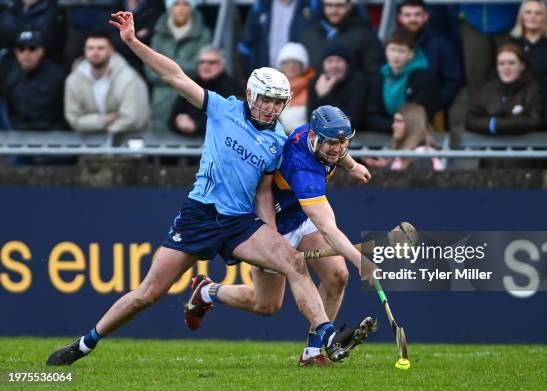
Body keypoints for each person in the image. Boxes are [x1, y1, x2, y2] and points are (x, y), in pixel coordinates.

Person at [46, 11, 374, 366]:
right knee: (147, 294)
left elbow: (273, 185)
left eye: (278, 103)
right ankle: (84, 343)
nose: (270, 108)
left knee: (293, 263)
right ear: (250, 94)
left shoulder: (278, 143)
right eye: (264, 99)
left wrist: (273, 230)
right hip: (199, 216)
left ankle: (324, 337)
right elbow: (172, 74)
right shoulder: (222, 109)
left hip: (239, 223)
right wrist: (132, 42)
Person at [184, 106, 376, 367]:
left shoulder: (316, 138)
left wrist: (352, 164)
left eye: (343, 142)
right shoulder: (303, 170)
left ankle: (313, 352)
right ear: (313, 137)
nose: (337, 148)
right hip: (271, 228)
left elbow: (336, 150)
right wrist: (361, 261)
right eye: (330, 142)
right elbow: (329, 229)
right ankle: (207, 291)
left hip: (300, 218)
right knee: (266, 305)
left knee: (337, 276)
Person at [145, 0, 212, 133]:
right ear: (169, 7)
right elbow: (150, 71)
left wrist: (164, 67)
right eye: (176, 4)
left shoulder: (204, 34)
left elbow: (198, 69)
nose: (181, 8)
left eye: (185, 4)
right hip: (160, 103)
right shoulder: (158, 34)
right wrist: (180, 69)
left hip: (190, 102)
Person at [64, 30, 150, 134]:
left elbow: (132, 118)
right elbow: (74, 119)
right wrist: (104, 120)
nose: (95, 52)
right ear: (84, 51)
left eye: (100, 48)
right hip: (89, 145)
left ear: (111, 50)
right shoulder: (73, 80)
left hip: (126, 142)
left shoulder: (128, 77)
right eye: (90, 48)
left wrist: (104, 133)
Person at [366, 29, 440, 133]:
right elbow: (371, 114)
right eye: (392, 50)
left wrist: (399, 127)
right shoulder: (379, 76)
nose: (396, 55)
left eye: (401, 51)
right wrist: (392, 127)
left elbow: (420, 113)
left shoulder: (422, 77)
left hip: (414, 134)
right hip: (384, 134)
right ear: (386, 52)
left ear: (411, 54)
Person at [395, 0, 462, 111]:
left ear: (426, 16)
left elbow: (453, 80)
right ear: (399, 18)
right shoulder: (392, 44)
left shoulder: (440, 44)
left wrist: (437, 103)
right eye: (407, 15)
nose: (412, 19)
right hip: (395, 109)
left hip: (431, 110)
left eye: (417, 14)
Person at [466, 43, 543, 135]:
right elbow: (470, 119)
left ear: (522, 66)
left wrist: (497, 125)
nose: (506, 67)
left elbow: (535, 121)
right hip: (490, 147)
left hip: (523, 147)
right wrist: (492, 124)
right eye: (501, 64)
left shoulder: (533, 89)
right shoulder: (488, 89)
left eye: (511, 63)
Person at [168, 46, 242, 136]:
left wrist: (196, 126)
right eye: (201, 62)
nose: (205, 65)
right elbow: (172, 120)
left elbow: (232, 123)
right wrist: (179, 122)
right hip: (187, 144)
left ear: (222, 65)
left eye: (211, 62)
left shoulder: (233, 88)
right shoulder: (190, 84)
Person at [299, 0, 385, 79]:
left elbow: (375, 75)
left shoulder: (366, 36)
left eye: (339, 6)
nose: (334, 11)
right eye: (329, 5)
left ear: (349, 6)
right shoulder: (309, 35)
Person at [1, 30, 65, 131]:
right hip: (15, 135)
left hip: (52, 136)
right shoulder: (9, 74)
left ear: (41, 51)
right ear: (16, 53)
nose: (26, 54)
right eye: (21, 49)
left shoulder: (57, 75)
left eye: (32, 48)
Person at [237, 0, 319, 76]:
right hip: (264, 76)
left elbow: (316, 43)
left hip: (298, 78)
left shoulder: (310, 5)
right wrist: (250, 73)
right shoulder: (261, 5)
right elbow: (247, 43)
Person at [363, 103, 444, 171]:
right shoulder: (406, 154)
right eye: (394, 121)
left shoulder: (422, 156)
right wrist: (386, 166)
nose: (393, 125)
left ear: (411, 125)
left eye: (399, 121)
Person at [308, 42, 368, 131]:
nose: (334, 65)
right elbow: (311, 118)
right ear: (323, 64)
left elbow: (354, 121)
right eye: (329, 61)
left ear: (347, 63)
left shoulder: (359, 82)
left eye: (339, 60)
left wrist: (326, 96)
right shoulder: (316, 82)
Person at [509, 0, 547, 84]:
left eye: (538, 13)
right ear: (521, 16)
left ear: (545, 18)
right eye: (528, 12)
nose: (532, 17)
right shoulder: (510, 44)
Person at [276, 42, 315, 132]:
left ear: (303, 66)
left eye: (295, 62)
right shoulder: (272, 87)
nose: (291, 65)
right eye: (287, 62)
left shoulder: (312, 87)